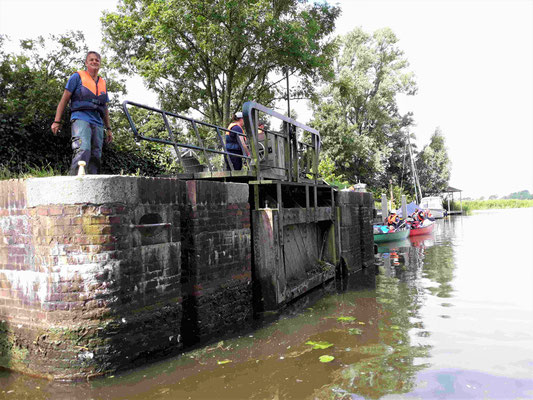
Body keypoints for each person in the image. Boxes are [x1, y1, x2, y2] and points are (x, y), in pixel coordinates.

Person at [51, 51, 112, 175]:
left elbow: (105, 107)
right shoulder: (77, 77)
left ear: (100, 64)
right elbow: (64, 99)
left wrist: (109, 129)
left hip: (98, 121)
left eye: (97, 60)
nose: (94, 62)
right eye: (91, 60)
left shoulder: (103, 83)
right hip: (81, 117)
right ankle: (74, 181)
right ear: (86, 63)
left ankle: (93, 182)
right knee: (83, 149)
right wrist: (57, 121)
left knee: (96, 154)